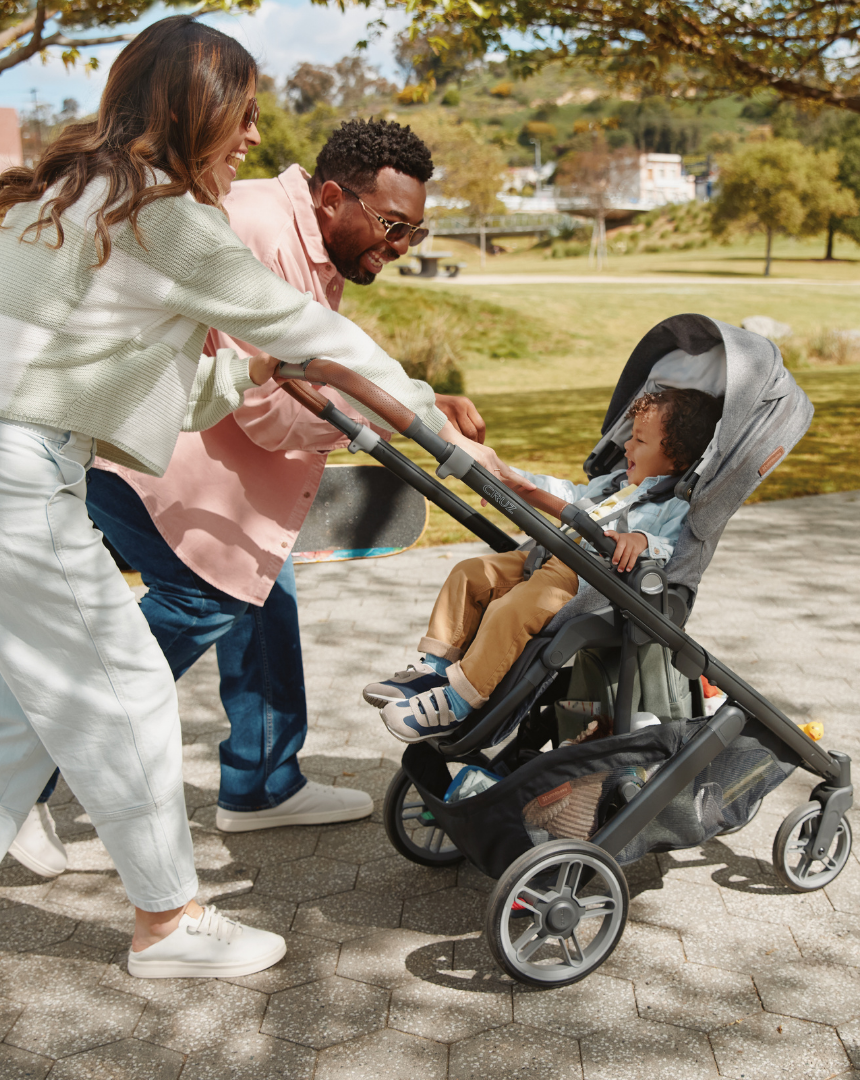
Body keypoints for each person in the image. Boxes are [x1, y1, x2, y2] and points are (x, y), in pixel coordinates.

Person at [0, 15, 515, 979]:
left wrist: (252, 372)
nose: (249, 138)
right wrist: (454, 447)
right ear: (192, 112)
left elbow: (113, 372)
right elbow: (336, 348)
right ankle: (168, 926)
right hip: (20, 477)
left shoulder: (77, 191)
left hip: (33, 461)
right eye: (238, 117)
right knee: (129, 694)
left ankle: (226, 809)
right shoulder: (168, 217)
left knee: (34, 695)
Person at [365, 388, 723, 742]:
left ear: (676, 457)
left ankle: (459, 700)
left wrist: (643, 541)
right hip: (546, 556)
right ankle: (436, 669)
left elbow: (676, 548)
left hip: (587, 582)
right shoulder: (615, 484)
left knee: (512, 609)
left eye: (640, 441)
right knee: (470, 574)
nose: (627, 447)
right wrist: (510, 477)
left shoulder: (676, 504)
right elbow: (564, 494)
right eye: (629, 437)